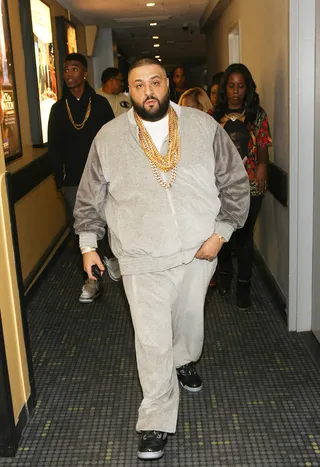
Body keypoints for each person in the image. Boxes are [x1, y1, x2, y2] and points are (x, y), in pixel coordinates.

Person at [73, 57, 250, 460]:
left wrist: (221, 234)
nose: (148, 91)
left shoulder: (203, 127)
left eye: (155, 82)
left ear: (167, 83)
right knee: (151, 339)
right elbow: (89, 198)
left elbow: (236, 182)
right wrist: (88, 245)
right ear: (128, 91)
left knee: (189, 322)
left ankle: (184, 359)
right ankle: (154, 418)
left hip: (197, 250)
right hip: (140, 256)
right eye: (138, 85)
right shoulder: (108, 137)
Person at [48, 52, 118, 304]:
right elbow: (53, 148)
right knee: (82, 230)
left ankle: (111, 256)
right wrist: (60, 180)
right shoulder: (57, 109)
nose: (69, 74)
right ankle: (92, 280)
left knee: (107, 222)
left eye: (74, 69)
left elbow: (113, 140)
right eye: (66, 70)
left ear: (85, 72)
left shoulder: (99, 105)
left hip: (103, 177)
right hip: (72, 182)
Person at [213, 63, 272, 310]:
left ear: (247, 88)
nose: (236, 91)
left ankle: (244, 285)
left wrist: (262, 167)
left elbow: (262, 145)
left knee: (245, 236)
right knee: (223, 235)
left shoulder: (257, 114)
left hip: (250, 184)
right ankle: (225, 275)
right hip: (221, 185)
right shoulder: (213, 115)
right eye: (231, 85)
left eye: (240, 86)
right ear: (225, 88)